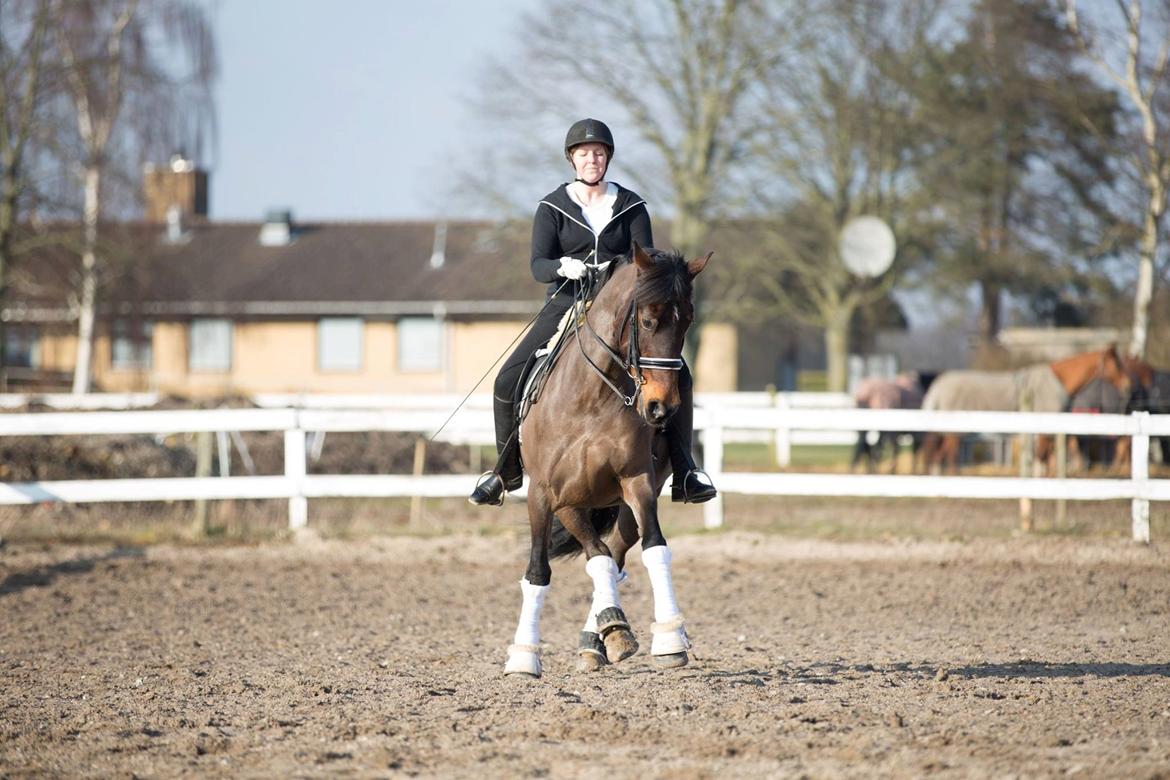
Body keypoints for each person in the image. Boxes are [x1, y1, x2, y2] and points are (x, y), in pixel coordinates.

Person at [469, 117, 717, 507]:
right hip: (566, 302)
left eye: (599, 154)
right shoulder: (552, 207)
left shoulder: (632, 206)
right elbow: (538, 264)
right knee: (506, 379)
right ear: (572, 159)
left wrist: (617, 271)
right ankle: (506, 470)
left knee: (679, 375)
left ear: (608, 159)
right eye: (584, 154)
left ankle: (685, 471)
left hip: (619, 310)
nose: (592, 160)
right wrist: (560, 268)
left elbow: (647, 263)